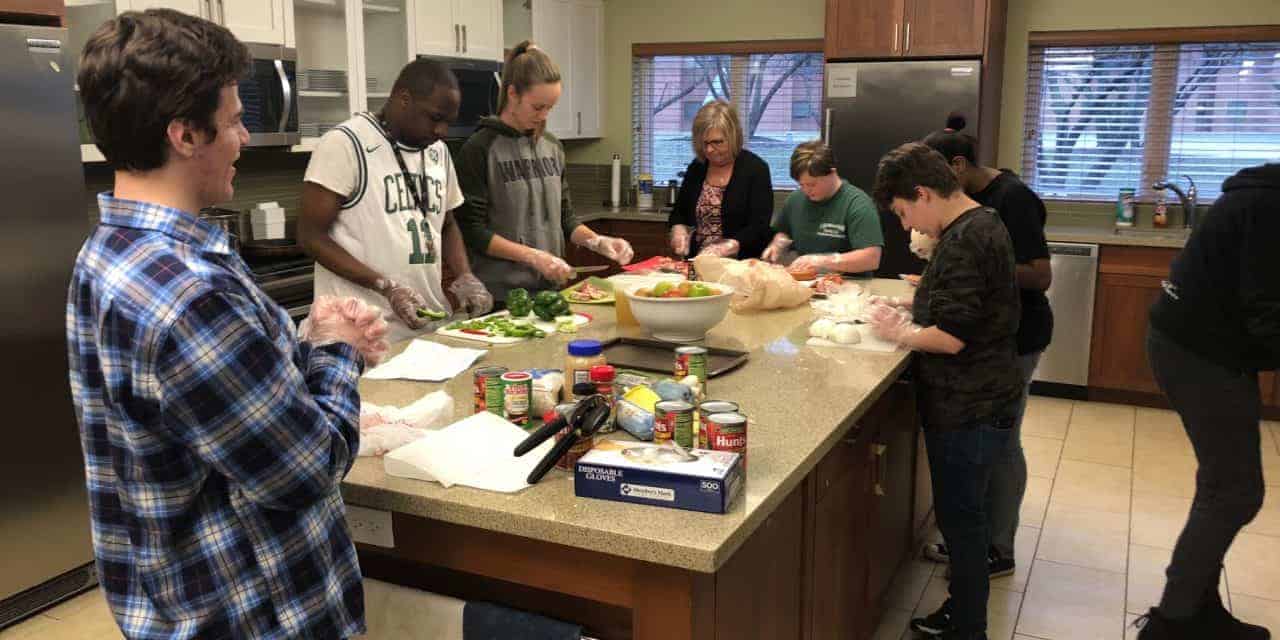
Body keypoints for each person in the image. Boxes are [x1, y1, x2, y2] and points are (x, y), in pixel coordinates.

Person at [68, 9, 388, 639]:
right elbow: (304, 469)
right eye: (236, 119)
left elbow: (207, 412)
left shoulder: (108, 251)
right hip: (254, 616)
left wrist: (301, 343)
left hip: (176, 598)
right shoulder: (187, 294)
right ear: (185, 134)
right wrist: (337, 351)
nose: (243, 137)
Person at [869, 142, 1023, 640]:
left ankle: (967, 627)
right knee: (965, 519)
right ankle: (964, 616)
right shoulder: (981, 221)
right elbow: (963, 306)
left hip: (969, 407)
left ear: (922, 193)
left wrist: (901, 333)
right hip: (983, 397)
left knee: (963, 524)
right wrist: (914, 308)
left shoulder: (964, 238)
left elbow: (953, 337)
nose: (905, 224)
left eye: (903, 211)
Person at [1134, 163, 1279, 640]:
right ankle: (1173, 622)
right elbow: (1266, 310)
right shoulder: (1267, 206)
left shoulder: (1258, 197)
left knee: (1223, 486)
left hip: (1191, 343)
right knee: (1235, 492)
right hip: (1200, 352)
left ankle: (1198, 606)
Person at [919, 113, 1053, 578]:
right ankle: (972, 542)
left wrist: (977, 272)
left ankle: (999, 548)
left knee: (1001, 445)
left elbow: (1040, 274)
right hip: (988, 335)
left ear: (957, 166)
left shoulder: (1012, 198)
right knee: (987, 448)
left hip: (1018, 338)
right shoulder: (968, 201)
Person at [299, 58, 492, 343]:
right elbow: (309, 236)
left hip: (426, 327)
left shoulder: (438, 152)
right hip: (360, 335)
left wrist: (465, 276)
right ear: (404, 99)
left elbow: (447, 223)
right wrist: (385, 286)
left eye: (448, 123)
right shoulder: (345, 144)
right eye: (435, 118)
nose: (442, 132)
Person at [455, 41, 633, 302]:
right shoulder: (480, 148)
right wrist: (532, 256)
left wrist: (597, 241)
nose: (543, 115)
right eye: (538, 107)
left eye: (550, 107)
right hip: (501, 297)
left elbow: (566, 219)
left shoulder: (552, 147)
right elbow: (472, 231)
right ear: (513, 93)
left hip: (550, 293)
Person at [668, 101, 775, 259]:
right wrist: (678, 230)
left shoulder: (755, 169)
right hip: (699, 261)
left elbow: (759, 227)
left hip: (740, 265)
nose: (710, 150)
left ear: (733, 137)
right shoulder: (697, 168)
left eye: (717, 142)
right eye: (705, 143)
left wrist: (732, 245)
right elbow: (679, 213)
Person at [761, 140, 883, 276]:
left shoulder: (857, 204)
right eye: (802, 185)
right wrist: (778, 244)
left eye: (812, 184)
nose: (806, 190)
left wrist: (823, 261)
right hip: (808, 282)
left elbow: (871, 258)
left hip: (849, 287)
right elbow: (783, 231)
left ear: (832, 173)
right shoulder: (796, 200)